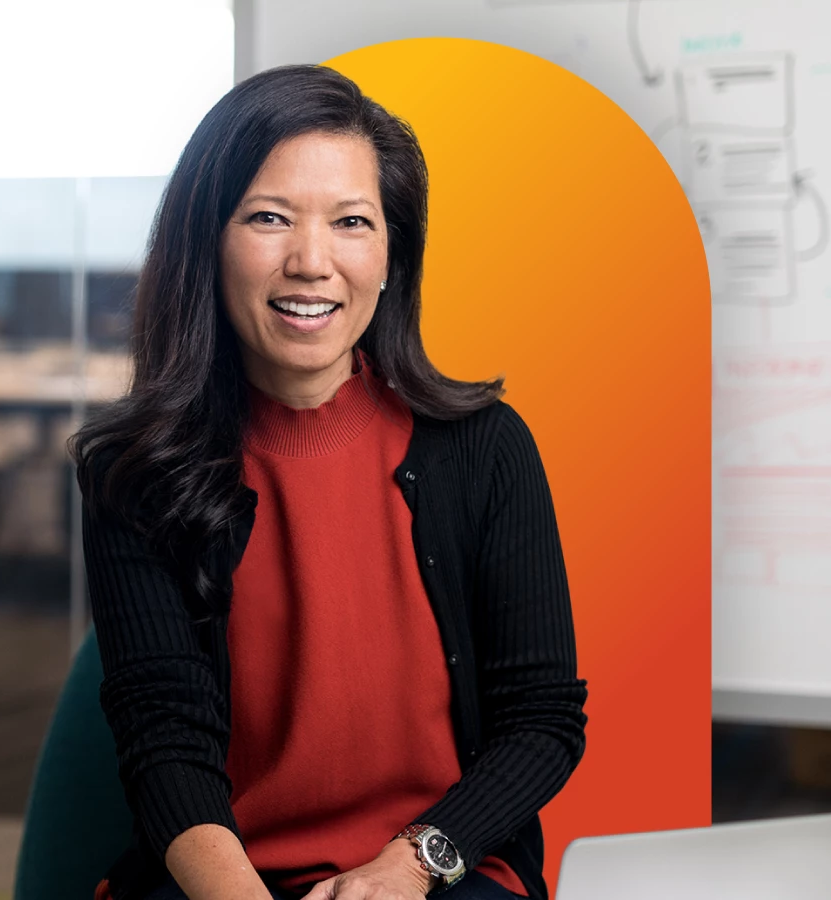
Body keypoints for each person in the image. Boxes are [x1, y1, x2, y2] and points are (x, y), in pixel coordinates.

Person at [67, 64, 587, 900]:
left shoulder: (485, 450)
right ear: (208, 240)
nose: (312, 262)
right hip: (226, 880)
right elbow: (164, 739)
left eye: (352, 221)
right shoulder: (137, 473)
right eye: (268, 218)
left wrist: (409, 865)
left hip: (437, 872)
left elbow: (543, 720)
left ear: (391, 253)